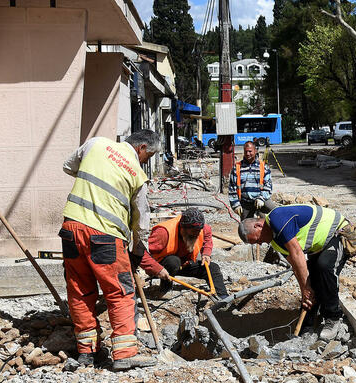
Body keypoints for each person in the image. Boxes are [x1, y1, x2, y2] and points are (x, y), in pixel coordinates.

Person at [59, 130, 159, 370]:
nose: (146, 161)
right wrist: (136, 249)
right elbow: (141, 221)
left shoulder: (95, 144)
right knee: (120, 291)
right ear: (141, 148)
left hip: (71, 227)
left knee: (79, 290)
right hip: (105, 234)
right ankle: (124, 353)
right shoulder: (136, 173)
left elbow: (68, 166)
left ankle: (87, 352)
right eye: (149, 155)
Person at [239, 204, 355, 338]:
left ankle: (333, 318)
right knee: (312, 279)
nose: (260, 244)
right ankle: (306, 327)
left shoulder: (277, 219)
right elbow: (296, 265)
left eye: (257, 239)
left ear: (258, 226)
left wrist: (306, 288)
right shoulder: (276, 242)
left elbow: (297, 253)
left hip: (338, 231)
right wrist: (305, 290)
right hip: (319, 245)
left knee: (324, 267)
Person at [139, 208, 229, 303]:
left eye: (198, 231)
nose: (197, 234)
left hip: (185, 264)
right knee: (173, 261)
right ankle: (163, 290)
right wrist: (155, 269)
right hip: (163, 269)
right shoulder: (163, 232)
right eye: (193, 232)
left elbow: (207, 237)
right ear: (183, 228)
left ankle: (223, 298)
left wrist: (206, 253)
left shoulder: (201, 228)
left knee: (213, 268)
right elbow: (145, 255)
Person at [228, 141, 277, 218]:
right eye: (246, 151)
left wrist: (261, 198)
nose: (248, 154)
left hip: (261, 200)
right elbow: (232, 188)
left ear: (255, 151)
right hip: (245, 202)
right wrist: (236, 205)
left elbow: (268, 185)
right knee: (246, 226)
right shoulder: (237, 167)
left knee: (275, 214)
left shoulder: (263, 167)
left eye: (250, 151)